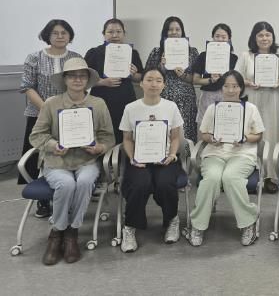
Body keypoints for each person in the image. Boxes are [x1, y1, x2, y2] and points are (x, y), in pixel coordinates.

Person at [29, 58, 115, 265]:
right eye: (72, 76)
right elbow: (36, 135)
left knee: (85, 182)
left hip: (87, 160)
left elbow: (109, 137)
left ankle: (72, 233)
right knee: (66, 184)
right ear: (65, 79)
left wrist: (99, 148)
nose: (78, 79)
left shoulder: (98, 104)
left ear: (88, 80)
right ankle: (57, 232)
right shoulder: (51, 104)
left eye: (82, 76)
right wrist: (53, 146)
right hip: (57, 160)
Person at [188, 70, 265, 247]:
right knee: (211, 179)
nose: (231, 90)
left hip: (242, 154)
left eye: (235, 86)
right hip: (215, 153)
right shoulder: (213, 108)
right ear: (221, 88)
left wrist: (245, 138)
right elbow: (204, 133)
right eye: (227, 86)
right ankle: (198, 225)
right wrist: (211, 139)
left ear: (241, 88)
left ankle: (248, 222)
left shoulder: (250, 109)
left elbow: (258, 135)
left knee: (231, 177)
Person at [19, 19, 82, 218]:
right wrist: (47, 109)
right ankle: (43, 201)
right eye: (55, 33)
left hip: (70, 115)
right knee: (40, 156)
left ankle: (69, 195)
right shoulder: (34, 57)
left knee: (67, 154)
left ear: (69, 36)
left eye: (64, 32)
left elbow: (81, 84)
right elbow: (27, 86)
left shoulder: (76, 57)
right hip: (39, 115)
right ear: (48, 35)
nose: (60, 36)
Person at [118, 68, 185, 253]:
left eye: (158, 80)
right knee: (139, 184)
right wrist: (132, 158)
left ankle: (172, 219)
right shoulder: (131, 108)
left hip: (165, 158)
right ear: (141, 83)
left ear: (164, 85)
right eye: (149, 79)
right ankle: (130, 227)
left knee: (165, 184)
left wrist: (172, 155)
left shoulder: (171, 107)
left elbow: (175, 137)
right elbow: (127, 139)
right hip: (139, 159)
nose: (153, 84)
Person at [236, 21, 279, 193]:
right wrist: (249, 82)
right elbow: (236, 78)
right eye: (260, 35)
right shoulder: (246, 56)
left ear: (272, 37)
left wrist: (278, 82)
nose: (264, 38)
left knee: (272, 136)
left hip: (273, 99)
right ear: (254, 37)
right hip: (253, 98)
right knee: (252, 134)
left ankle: (271, 176)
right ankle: (252, 173)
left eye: (267, 35)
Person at [85, 18, 143, 143]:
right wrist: (102, 82)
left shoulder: (132, 52)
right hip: (101, 100)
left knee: (126, 134)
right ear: (104, 34)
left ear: (124, 34)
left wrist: (134, 74)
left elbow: (140, 78)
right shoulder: (94, 53)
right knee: (102, 134)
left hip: (125, 99)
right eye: (110, 32)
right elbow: (84, 79)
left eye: (118, 31)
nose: (115, 35)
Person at [145, 16, 199, 142]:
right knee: (163, 135)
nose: (174, 32)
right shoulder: (156, 52)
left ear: (182, 32)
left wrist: (183, 75)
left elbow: (195, 79)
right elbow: (147, 77)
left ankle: (186, 154)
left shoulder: (192, 52)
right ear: (165, 32)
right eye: (170, 29)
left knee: (185, 136)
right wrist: (161, 67)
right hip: (162, 99)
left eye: (177, 29)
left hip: (186, 101)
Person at [192, 23, 238, 127]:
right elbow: (195, 80)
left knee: (226, 127)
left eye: (223, 37)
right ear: (212, 37)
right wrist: (210, 80)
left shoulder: (234, 58)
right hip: (208, 95)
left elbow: (237, 82)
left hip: (227, 96)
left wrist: (226, 77)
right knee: (205, 127)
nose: (220, 39)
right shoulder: (203, 56)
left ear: (229, 39)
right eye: (217, 36)